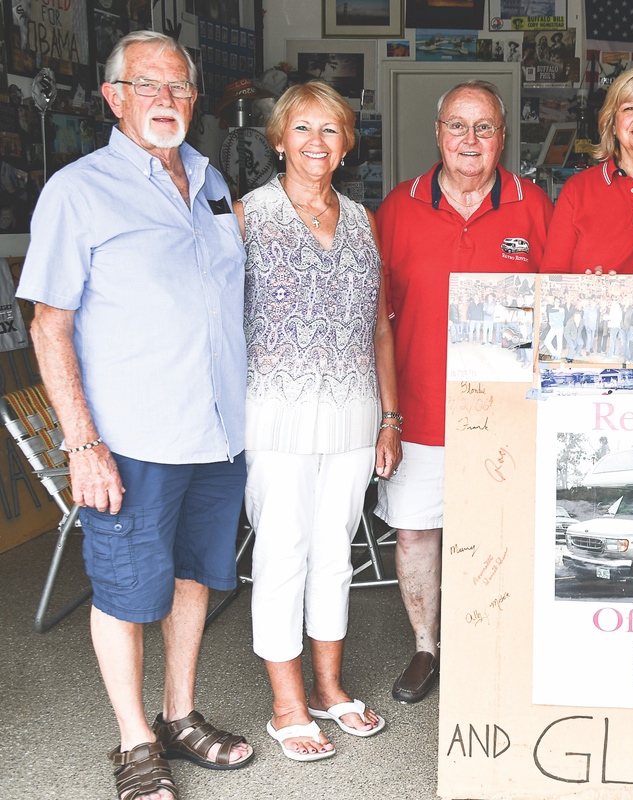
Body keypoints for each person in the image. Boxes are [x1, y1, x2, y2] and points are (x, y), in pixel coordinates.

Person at [17, 30, 253, 799]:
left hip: (217, 436)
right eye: (147, 85)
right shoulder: (76, 191)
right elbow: (48, 324)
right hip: (129, 440)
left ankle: (180, 716)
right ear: (114, 97)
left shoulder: (214, 181)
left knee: (194, 580)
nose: (166, 100)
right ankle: (134, 742)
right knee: (124, 591)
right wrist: (81, 443)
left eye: (179, 88)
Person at [375, 80, 553, 705]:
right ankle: (428, 647)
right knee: (418, 532)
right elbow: (375, 319)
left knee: (510, 529)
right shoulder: (398, 206)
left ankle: (495, 642)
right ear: (438, 133)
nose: (470, 140)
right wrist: (387, 415)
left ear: (503, 137)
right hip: (420, 408)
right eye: (458, 126)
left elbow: (555, 308)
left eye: (484, 128)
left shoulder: (535, 206)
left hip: (509, 413)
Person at [237, 81, 396, 761]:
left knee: (336, 552)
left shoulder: (363, 219)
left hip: (355, 412)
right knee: (283, 554)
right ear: (278, 139)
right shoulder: (247, 216)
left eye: (330, 130)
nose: (315, 143)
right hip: (275, 412)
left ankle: (330, 688)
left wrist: (390, 416)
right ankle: (286, 704)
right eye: (301, 129)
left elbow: (380, 329)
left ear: (346, 143)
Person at [541, 64, 633, 273]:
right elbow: (551, 279)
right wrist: (587, 291)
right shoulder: (578, 190)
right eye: (629, 108)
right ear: (613, 125)